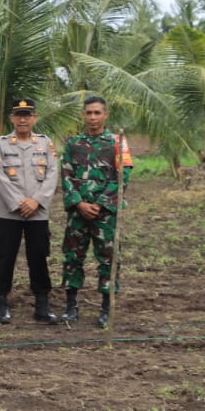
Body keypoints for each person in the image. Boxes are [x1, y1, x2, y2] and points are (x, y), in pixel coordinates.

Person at [60, 95, 133, 328]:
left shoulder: (117, 142)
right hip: (78, 212)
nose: (93, 117)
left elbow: (123, 176)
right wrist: (79, 203)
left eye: (97, 113)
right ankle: (71, 306)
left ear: (105, 115)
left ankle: (106, 308)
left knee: (108, 260)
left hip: (106, 214)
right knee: (72, 257)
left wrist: (100, 203)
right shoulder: (73, 144)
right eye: (89, 113)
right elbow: (65, 174)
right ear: (83, 115)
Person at [0, 98, 60, 324]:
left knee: (38, 257)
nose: (23, 119)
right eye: (19, 115)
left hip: (38, 213)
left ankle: (42, 304)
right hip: (9, 212)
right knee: (4, 257)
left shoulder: (45, 144)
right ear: (12, 118)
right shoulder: (0, 145)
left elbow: (52, 174)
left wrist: (36, 201)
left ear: (34, 118)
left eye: (27, 115)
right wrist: (20, 202)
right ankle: (1, 303)